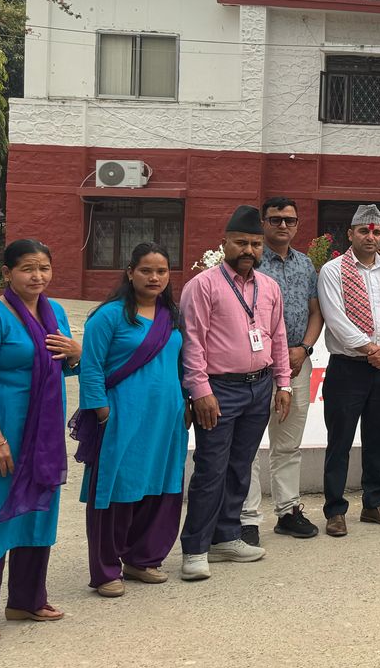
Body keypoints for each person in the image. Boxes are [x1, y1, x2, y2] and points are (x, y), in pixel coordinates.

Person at [0, 240, 80, 643]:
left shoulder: (55, 312)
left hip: (43, 432)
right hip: (1, 429)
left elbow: (63, 368)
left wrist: (76, 353)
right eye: (28, 268)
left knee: (37, 514)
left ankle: (26, 600)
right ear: (8, 273)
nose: (37, 276)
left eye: (44, 268)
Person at [178, 206, 292, 581]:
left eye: (255, 244)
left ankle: (226, 537)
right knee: (212, 469)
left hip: (259, 387)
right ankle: (195, 548)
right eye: (241, 242)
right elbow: (192, 342)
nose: (249, 250)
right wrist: (200, 391)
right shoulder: (203, 285)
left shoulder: (269, 287)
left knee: (241, 467)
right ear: (224, 242)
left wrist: (283, 383)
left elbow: (277, 337)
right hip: (219, 390)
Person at [76, 243, 186, 595]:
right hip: (123, 416)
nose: (154, 277)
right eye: (146, 270)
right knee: (118, 487)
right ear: (130, 272)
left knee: (160, 484)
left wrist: (184, 403)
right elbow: (91, 367)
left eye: (161, 271)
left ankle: (142, 559)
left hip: (166, 419)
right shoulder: (109, 316)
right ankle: (106, 570)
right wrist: (101, 409)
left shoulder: (172, 316)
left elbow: (181, 364)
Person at [315, 204, 380, 536]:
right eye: (363, 231)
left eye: (376, 232)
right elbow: (335, 318)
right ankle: (335, 510)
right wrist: (372, 349)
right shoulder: (333, 270)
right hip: (348, 368)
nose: (370, 237)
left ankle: (374, 504)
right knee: (340, 440)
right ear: (350, 234)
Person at [242, 196, 323, 544]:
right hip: (256, 367)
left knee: (288, 444)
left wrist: (304, 349)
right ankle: (245, 518)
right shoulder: (250, 263)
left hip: (296, 364)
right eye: (275, 219)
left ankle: (288, 511)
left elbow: (316, 312)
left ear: (297, 224)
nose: (283, 225)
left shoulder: (305, 264)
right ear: (264, 223)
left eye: (289, 220)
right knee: (247, 445)